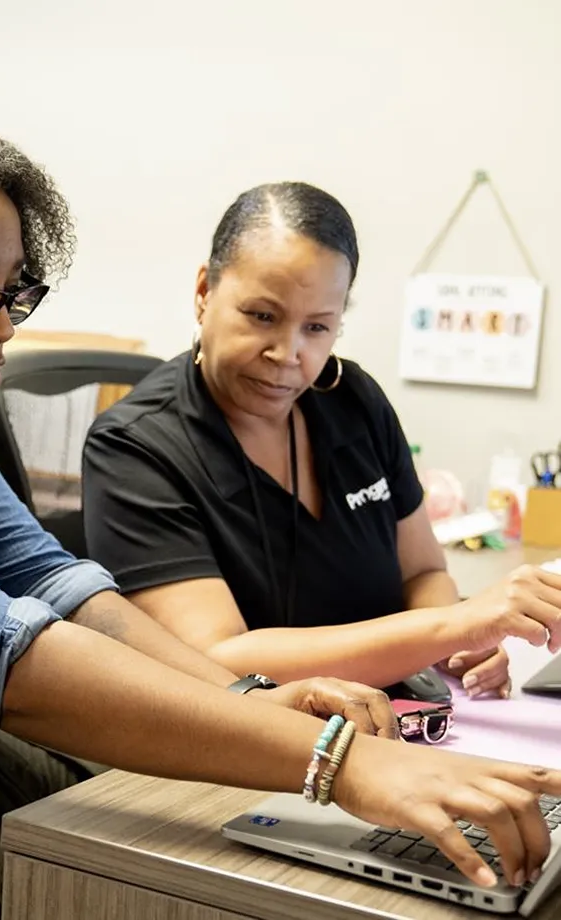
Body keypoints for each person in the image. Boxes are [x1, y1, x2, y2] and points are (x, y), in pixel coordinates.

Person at [0, 110, 558, 920]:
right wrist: (337, 761)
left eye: (16, 290)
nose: (3, 326)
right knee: (125, 894)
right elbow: (8, 657)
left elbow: (50, 577)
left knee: (219, 835)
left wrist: (246, 703)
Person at [82, 181, 561, 701]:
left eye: (317, 327)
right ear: (204, 292)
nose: (288, 353)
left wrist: (463, 642)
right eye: (262, 316)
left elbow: (423, 571)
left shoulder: (353, 400)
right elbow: (218, 658)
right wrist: (450, 627)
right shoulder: (134, 447)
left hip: (389, 717)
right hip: (251, 741)